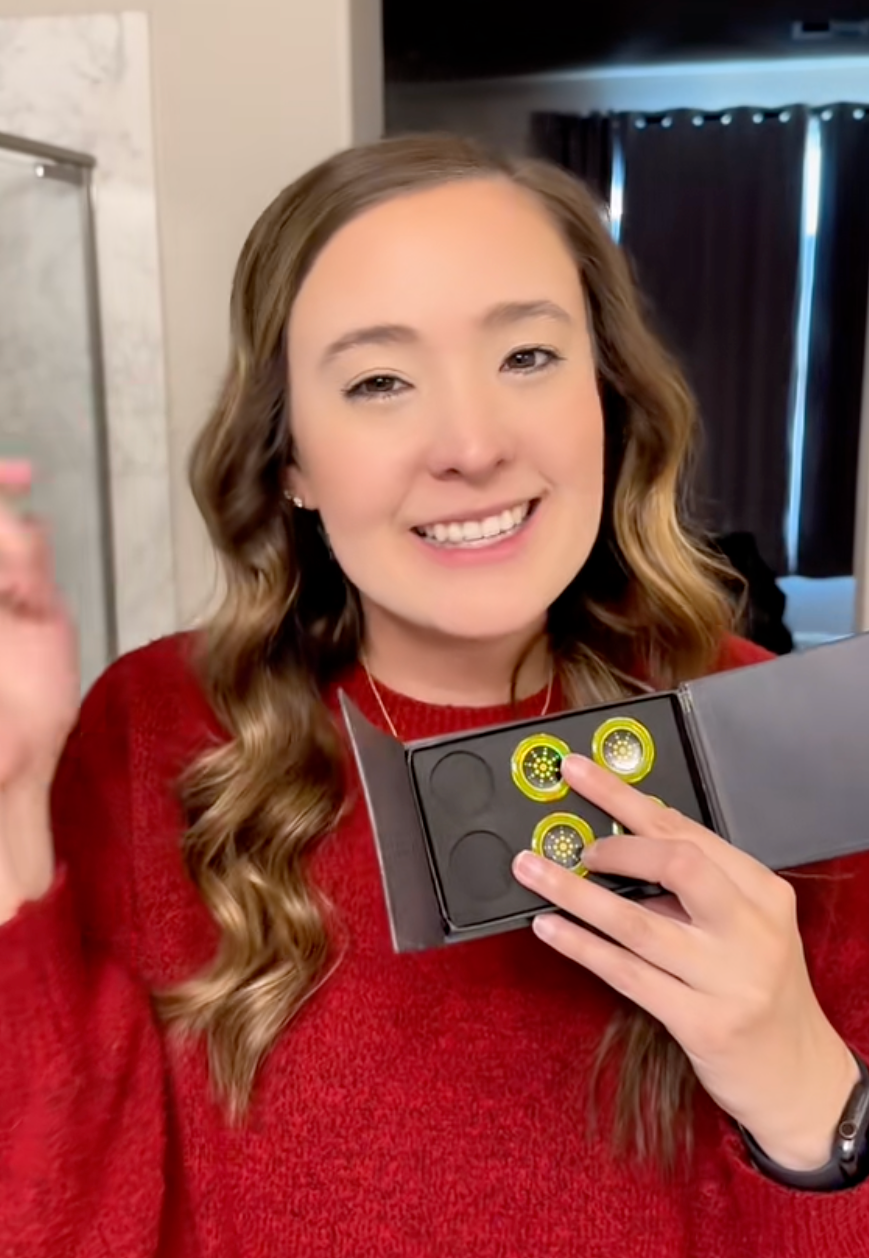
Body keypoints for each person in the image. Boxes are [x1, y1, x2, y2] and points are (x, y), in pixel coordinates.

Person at [1, 133, 868, 1258]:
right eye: (378, 381)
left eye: (526, 356)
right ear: (290, 460)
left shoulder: (778, 734)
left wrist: (805, 1099)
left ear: (606, 397)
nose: (470, 444)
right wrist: (11, 809)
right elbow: (57, 1216)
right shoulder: (155, 730)